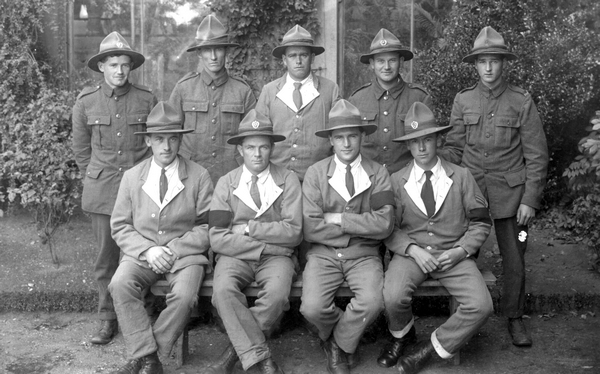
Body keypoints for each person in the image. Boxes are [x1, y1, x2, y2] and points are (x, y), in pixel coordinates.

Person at [440, 26, 548, 347]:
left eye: (495, 61)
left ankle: (514, 317)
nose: (488, 68)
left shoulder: (521, 101)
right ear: (475, 65)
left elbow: (537, 155)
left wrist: (530, 199)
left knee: (515, 257)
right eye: (482, 61)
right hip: (471, 195)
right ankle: (466, 317)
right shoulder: (463, 100)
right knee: (464, 254)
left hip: (512, 198)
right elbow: (454, 150)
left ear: (504, 64)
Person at [379, 102, 494, 374]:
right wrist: (411, 249)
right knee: (393, 296)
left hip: (452, 255)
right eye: (415, 141)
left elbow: (480, 222)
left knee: (481, 305)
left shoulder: (463, 176)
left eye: (427, 140)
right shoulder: (395, 181)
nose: (421, 148)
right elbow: (386, 227)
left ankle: (429, 348)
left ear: (438, 140)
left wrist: (461, 251)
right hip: (413, 255)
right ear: (407, 145)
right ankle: (402, 336)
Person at [108, 102, 213, 374]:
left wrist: (172, 250)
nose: (166, 147)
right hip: (141, 255)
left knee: (185, 296)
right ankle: (148, 357)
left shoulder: (199, 176)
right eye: (159, 139)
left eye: (173, 139)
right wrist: (148, 251)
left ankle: (147, 354)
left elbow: (207, 226)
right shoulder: (132, 177)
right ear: (148, 141)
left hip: (185, 255)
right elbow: (120, 225)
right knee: (120, 284)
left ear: (180, 140)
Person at [72, 31, 157, 345]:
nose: (120, 71)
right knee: (106, 259)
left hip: (140, 191)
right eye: (113, 65)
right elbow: (81, 150)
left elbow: (155, 143)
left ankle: (144, 315)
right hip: (103, 191)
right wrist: (95, 177)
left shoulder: (147, 99)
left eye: (124, 65)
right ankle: (108, 319)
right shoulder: (86, 102)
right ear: (102, 67)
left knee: (140, 253)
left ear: (130, 67)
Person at [300, 99, 395, 374]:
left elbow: (385, 224)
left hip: (364, 255)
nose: (346, 143)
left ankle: (338, 344)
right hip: (323, 254)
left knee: (373, 302)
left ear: (362, 137)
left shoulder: (378, 173)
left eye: (352, 135)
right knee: (312, 308)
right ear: (330, 140)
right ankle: (341, 339)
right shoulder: (316, 173)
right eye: (339, 137)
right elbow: (311, 228)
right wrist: (360, 226)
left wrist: (340, 218)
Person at [205, 110, 303, 374]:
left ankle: (234, 354)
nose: (257, 154)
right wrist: (268, 243)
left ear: (272, 149)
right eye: (250, 147)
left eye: (263, 147)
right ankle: (261, 355)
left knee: (276, 295)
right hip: (236, 257)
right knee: (223, 290)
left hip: (277, 260)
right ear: (240, 150)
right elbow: (217, 237)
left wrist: (248, 228)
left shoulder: (288, 179)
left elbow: (293, 232)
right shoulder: (226, 183)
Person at [169, 14, 256, 185]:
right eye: (208, 50)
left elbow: (253, 138)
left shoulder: (242, 90)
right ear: (200, 53)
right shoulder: (183, 89)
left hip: (232, 177)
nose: (214, 56)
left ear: (226, 51)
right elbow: (168, 134)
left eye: (218, 49)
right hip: (190, 177)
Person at [255, 24, 341, 181]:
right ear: (284, 60)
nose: (298, 61)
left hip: (319, 179)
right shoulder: (269, 91)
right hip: (276, 179)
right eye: (292, 56)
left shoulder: (330, 90)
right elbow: (258, 136)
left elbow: (340, 135)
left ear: (313, 58)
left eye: (304, 55)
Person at [349, 28, 433, 175]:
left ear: (401, 62)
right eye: (380, 61)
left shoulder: (419, 98)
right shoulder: (357, 100)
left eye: (392, 60)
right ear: (371, 64)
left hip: (408, 180)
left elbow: (428, 145)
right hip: (367, 179)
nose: (386, 67)